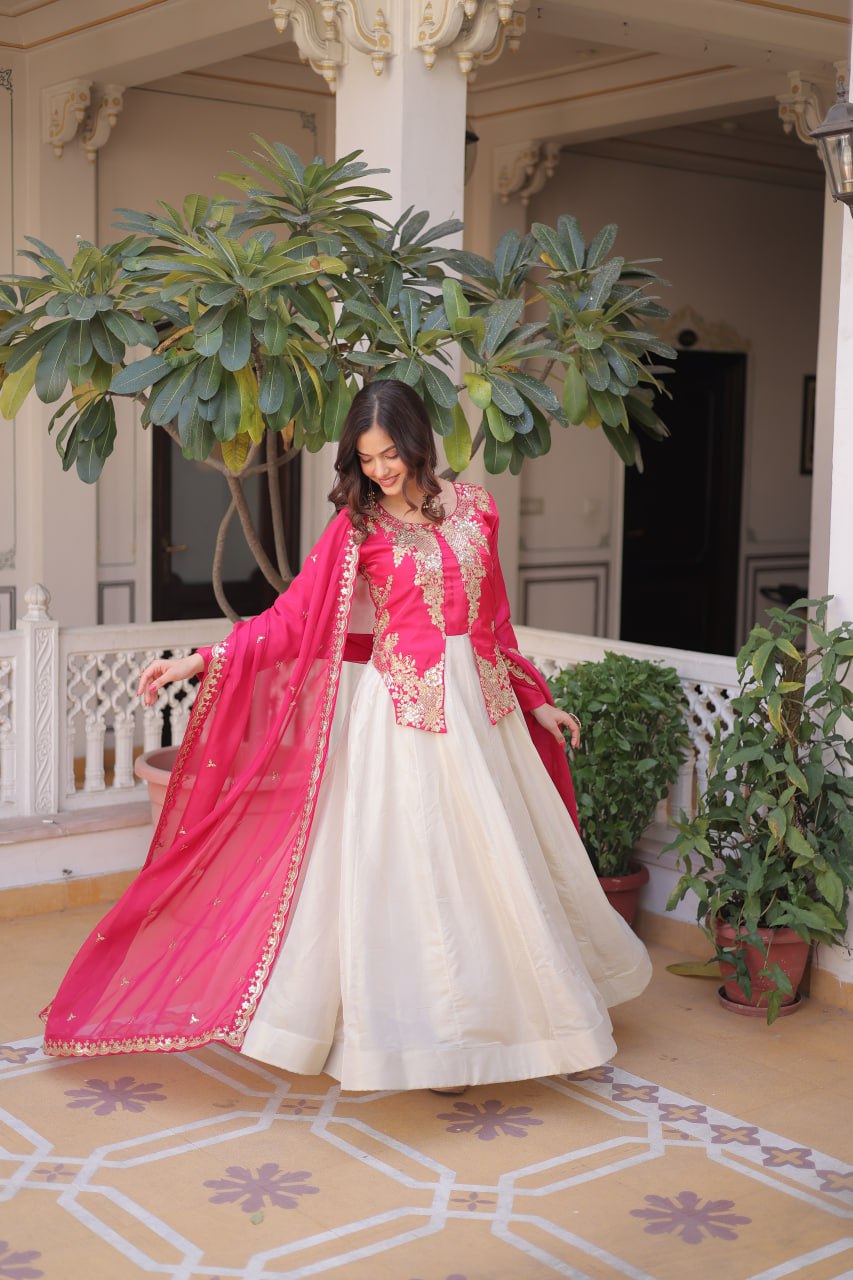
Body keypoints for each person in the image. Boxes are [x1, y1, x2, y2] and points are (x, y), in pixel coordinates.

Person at [41, 380, 651, 1091]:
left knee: (496, 866)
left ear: (420, 442)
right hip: (404, 722)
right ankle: (430, 1042)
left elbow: (492, 624)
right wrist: (202, 659)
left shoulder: (476, 510)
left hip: (484, 718)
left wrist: (534, 702)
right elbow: (292, 619)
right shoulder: (358, 530)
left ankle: (510, 1024)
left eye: (390, 454)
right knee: (417, 875)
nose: (382, 471)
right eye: (367, 460)